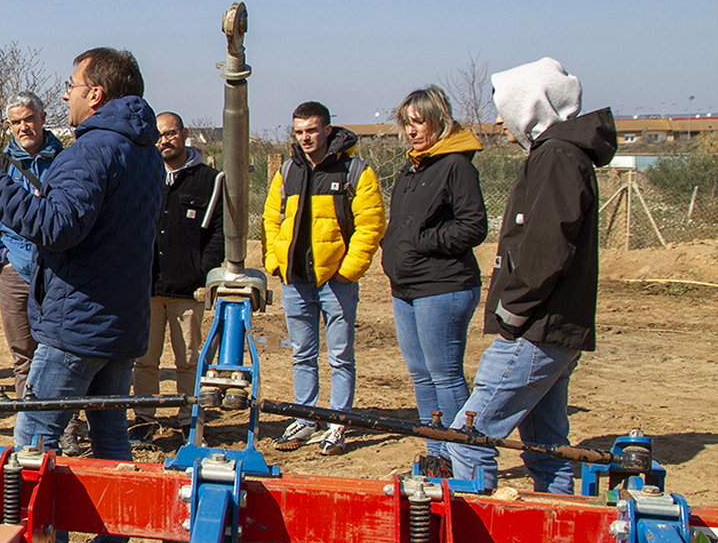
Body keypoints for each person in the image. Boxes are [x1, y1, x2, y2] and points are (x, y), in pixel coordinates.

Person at [0, 48, 161, 543]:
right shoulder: (143, 152)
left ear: (97, 93)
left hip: (77, 325)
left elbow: (55, 224)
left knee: (35, 439)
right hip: (121, 323)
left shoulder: (92, 151)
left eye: (71, 85)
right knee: (110, 437)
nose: (63, 94)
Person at [449, 58, 616, 498]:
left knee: (469, 436)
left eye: (506, 108)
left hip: (537, 328)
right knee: (547, 448)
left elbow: (546, 248)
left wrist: (512, 307)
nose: (499, 119)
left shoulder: (557, 158)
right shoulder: (558, 155)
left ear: (531, 107)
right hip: (552, 327)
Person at [262, 101, 385, 456]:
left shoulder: (355, 171)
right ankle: (306, 416)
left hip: (336, 282)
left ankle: (337, 423)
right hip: (295, 280)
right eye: (299, 132)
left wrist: (348, 270)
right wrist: (275, 261)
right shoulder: (287, 172)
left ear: (327, 130)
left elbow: (371, 225)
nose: (305, 138)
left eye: (312, 131)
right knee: (302, 353)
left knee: (341, 356)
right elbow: (271, 220)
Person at [380, 86, 487, 476]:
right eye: (407, 123)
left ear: (439, 121)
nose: (412, 131)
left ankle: (463, 459)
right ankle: (436, 453)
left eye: (419, 122)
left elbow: (474, 225)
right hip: (407, 288)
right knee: (421, 375)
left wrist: (424, 242)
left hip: (443, 286)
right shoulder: (413, 168)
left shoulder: (456, 166)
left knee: (445, 374)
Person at [130, 112, 223, 443]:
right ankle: (143, 419)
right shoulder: (144, 176)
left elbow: (217, 235)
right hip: (148, 287)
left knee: (188, 360)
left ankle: (189, 419)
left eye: (170, 134)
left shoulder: (209, 180)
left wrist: (202, 272)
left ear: (183, 134)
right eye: (158, 136)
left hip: (188, 290)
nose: (164, 141)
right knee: (145, 360)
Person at [0, 92, 63, 400]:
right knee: (23, 356)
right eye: (16, 122)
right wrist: (2, 258)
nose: (23, 127)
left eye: (29, 119)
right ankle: (28, 427)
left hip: (57, 272)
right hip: (15, 271)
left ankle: (65, 427)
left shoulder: (65, 160)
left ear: (42, 118)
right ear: (9, 125)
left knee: (59, 354)